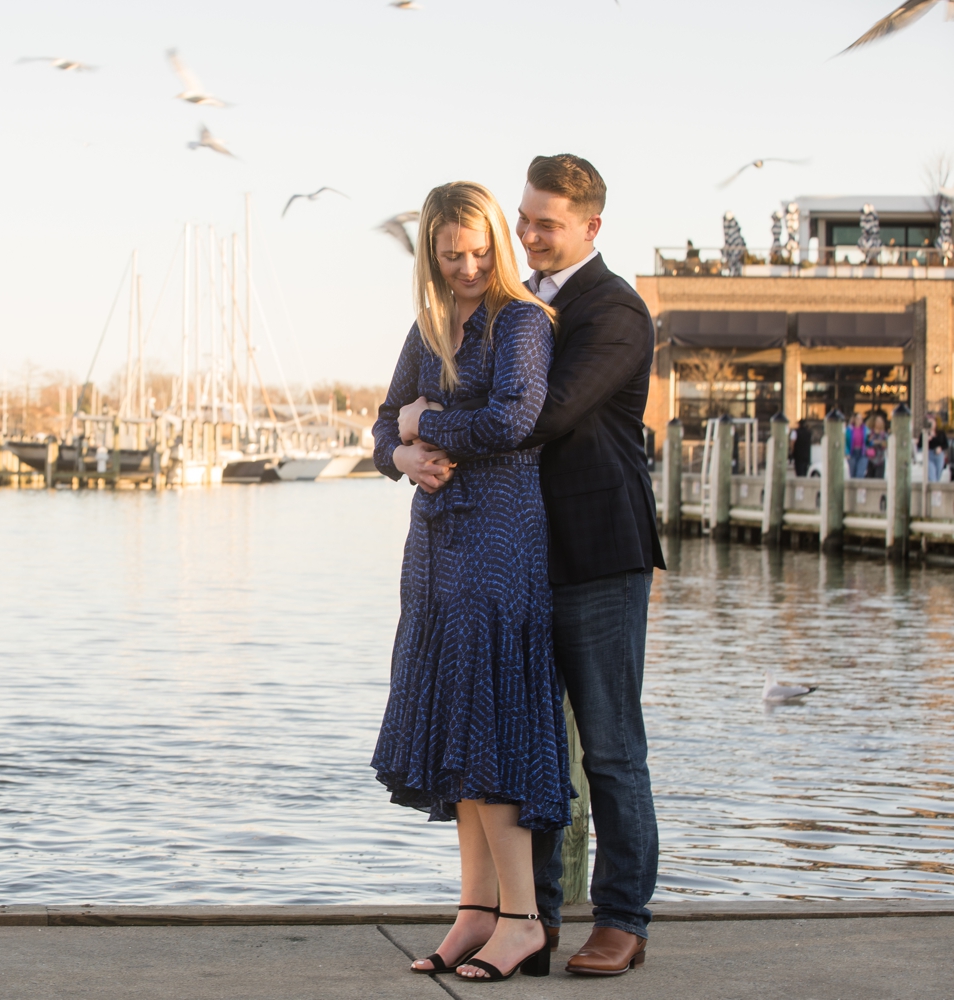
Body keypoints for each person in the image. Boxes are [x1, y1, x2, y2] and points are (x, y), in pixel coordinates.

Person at [419, 155, 665, 977]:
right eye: (523, 218)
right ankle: (537, 917)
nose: (527, 235)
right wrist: (399, 438)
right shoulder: (515, 309)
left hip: (598, 555)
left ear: (592, 227)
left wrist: (428, 423)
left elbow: (541, 414)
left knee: (609, 747)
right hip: (519, 558)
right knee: (531, 747)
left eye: (546, 224)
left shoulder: (618, 312)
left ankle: (623, 918)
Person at [372, 181, 569, 983]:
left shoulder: (524, 320)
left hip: (498, 540)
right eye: (451, 254)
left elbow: (514, 420)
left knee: (489, 726)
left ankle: (523, 920)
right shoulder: (428, 327)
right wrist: (401, 453)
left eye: (479, 251)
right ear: (431, 251)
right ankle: (476, 911)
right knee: (459, 729)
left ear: (497, 242)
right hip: (434, 550)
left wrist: (429, 424)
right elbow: (385, 417)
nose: (466, 266)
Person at [865, 412, 888, 479]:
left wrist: (879, 442)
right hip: (870, 459)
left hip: (881, 459)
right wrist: (878, 442)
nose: (880, 423)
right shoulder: (869, 432)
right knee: (869, 478)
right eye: (878, 421)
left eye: (881, 421)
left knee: (879, 479)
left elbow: (886, 444)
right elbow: (866, 442)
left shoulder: (884, 434)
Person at [847, 411, 868, 479]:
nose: (860, 420)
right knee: (852, 474)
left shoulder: (866, 429)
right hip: (852, 453)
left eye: (861, 418)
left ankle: (859, 489)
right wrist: (846, 453)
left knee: (860, 473)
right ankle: (853, 490)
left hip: (862, 453)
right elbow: (845, 442)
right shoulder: (849, 429)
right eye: (858, 418)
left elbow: (869, 441)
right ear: (854, 419)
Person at [928, 417, 948, 483]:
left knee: (938, 475)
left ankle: (935, 491)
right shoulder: (926, 432)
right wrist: (926, 439)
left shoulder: (941, 433)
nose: (931, 424)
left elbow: (946, 444)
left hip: (939, 455)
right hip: (929, 455)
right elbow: (919, 445)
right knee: (931, 473)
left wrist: (940, 448)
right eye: (929, 422)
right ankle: (935, 491)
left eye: (932, 422)